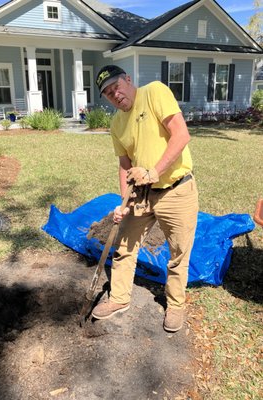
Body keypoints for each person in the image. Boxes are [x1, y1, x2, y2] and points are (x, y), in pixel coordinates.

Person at [92, 65, 199, 332]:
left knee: (178, 253)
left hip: (176, 190)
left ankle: (175, 305)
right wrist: (124, 203)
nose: (114, 94)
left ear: (128, 80)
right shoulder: (117, 123)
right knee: (125, 245)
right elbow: (124, 165)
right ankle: (118, 298)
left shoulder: (154, 92)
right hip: (141, 194)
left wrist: (153, 172)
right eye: (107, 93)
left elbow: (181, 135)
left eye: (116, 86)